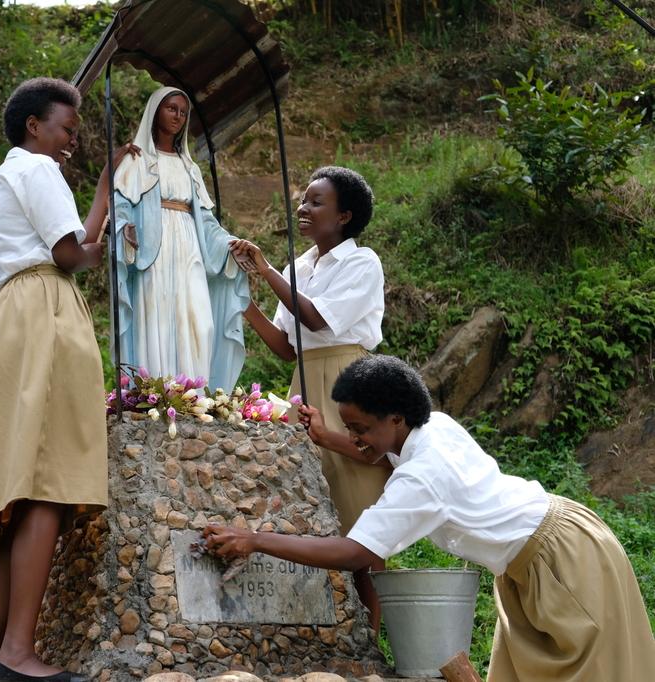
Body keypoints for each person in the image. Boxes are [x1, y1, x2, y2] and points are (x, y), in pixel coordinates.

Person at [204, 354, 655, 682]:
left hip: (563, 562)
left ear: (395, 417)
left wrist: (255, 539)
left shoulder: (423, 477)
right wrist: (327, 438)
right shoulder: (432, 426)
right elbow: (386, 458)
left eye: (359, 428)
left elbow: (354, 552)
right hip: (540, 553)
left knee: (596, 671)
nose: (355, 438)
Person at [0, 77, 138, 682]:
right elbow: (72, 255)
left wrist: (103, 193)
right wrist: (113, 244)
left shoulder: (16, 173)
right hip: (43, 315)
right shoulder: (37, 171)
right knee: (47, 485)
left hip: (13, 316)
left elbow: (68, 241)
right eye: (66, 128)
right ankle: (17, 653)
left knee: (24, 490)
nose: (71, 140)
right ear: (34, 125)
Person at [229, 166, 391, 624]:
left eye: (316, 202)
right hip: (303, 384)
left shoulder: (362, 263)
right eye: (303, 199)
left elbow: (318, 322)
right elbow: (285, 347)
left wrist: (263, 268)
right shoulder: (298, 267)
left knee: (360, 512)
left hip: (349, 382)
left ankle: (378, 634)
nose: (303, 208)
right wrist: (244, 303)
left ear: (344, 216)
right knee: (314, 504)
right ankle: (342, 631)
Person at [112, 85, 249, 392]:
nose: (178, 116)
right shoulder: (137, 161)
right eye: (171, 108)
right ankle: (158, 394)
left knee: (200, 320)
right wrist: (124, 227)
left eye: (183, 112)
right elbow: (120, 205)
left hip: (189, 245)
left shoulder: (190, 167)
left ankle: (193, 393)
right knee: (157, 315)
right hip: (154, 248)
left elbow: (206, 219)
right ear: (155, 111)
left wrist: (229, 246)